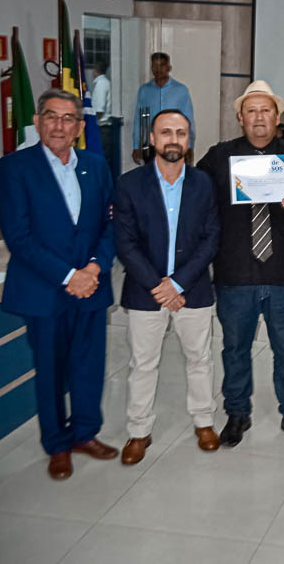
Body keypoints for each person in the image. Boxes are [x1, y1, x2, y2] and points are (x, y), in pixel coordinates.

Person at [0, 88, 117, 480]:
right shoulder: (15, 168)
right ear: (37, 120)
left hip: (92, 288)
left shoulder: (96, 165)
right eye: (51, 116)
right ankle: (57, 443)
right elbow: (19, 236)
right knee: (49, 370)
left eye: (68, 119)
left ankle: (84, 433)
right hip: (45, 290)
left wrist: (94, 269)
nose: (59, 125)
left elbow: (110, 225)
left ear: (81, 126)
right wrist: (69, 276)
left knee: (88, 365)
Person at [197, 80, 284, 448]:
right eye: (251, 110)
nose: (259, 117)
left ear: (277, 116)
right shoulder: (218, 158)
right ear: (240, 117)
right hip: (234, 273)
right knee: (234, 349)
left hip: (283, 273)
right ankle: (237, 414)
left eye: (265, 110)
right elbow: (194, 201)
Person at [113, 109, 221, 464]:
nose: (173, 139)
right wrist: (159, 286)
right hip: (146, 292)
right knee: (143, 364)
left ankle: (204, 421)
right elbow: (125, 243)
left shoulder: (204, 183)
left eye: (180, 133)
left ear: (189, 141)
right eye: (166, 132)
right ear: (152, 139)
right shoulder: (129, 185)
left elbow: (210, 238)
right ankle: (138, 431)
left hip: (193, 289)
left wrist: (177, 283)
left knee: (199, 359)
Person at [133, 52, 194, 164]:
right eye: (155, 65)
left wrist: (189, 147)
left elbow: (188, 120)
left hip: (174, 143)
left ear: (169, 67)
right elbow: (139, 120)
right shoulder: (144, 90)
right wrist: (136, 146)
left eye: (162, 65)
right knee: (151, 178)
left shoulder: (181, 90)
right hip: (151, 144)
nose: (158, 69)